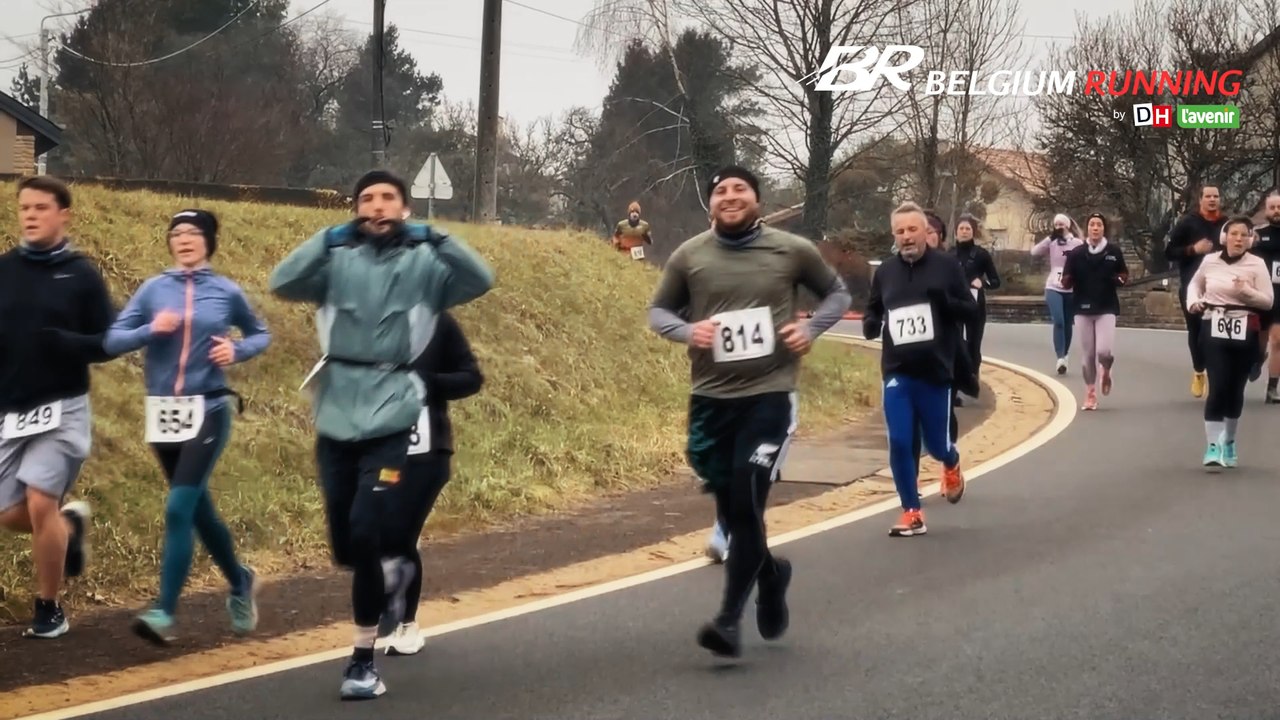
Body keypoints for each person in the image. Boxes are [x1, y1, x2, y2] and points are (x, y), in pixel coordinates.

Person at [268, 170, 495, 700]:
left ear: (405, 209)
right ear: (355, 210)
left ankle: (362, 660)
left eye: (388, 198)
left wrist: (438, 238)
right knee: (348, 547)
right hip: (337, 412)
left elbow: (480, 278)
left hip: (393, 413)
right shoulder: (336, 260)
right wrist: (325, 240)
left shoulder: (424, 265)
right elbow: (282, 282)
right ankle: (382, 576)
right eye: (366, 199)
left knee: (370, 529)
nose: (377, 206)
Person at [647, 165, 851, 658]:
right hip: (711, 403)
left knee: (747, 497)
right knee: (736, 514)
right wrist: (686, 332)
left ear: (757, 201)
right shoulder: (689, 255)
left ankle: (728, 620)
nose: (730, 196)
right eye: (720, 191)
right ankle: (772, 574)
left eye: (740, 189)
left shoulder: (791, 250)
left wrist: (812, 329)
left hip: (770, 395)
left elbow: (839, 294)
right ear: (710, 204)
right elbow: (659, 312)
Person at [102, 209, 270, 645]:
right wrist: (149, 329)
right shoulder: (153, 289)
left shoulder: (226, 291)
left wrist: (236, 350)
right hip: (163, 412)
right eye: (177, 233)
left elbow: (260, 333)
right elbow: (111, 339)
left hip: (209, 407)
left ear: (209, 241)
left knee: (178, 508)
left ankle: (164, 611)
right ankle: (240, 580)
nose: (184, 239)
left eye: (194, 233)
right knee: (199, 510)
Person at [0, 175, 110, 639]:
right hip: (11, 407)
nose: (30, 215)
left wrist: (71, 344)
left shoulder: (82, 275)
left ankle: (48, 606)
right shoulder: (5, 269)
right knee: (9, 515)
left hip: (62, 407)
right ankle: (68, 527)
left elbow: (109, 341)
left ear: (63, 214)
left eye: (41, 207)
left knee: (41, 498)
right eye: (24, 207)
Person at [863, 202, 974, 537]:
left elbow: (970, 311)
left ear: (926, 232)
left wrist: (946, 303)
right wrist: (871, 322)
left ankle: (951, 462)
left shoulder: (946, 267)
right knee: (899, 440)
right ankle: (912, 511)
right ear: (894, 236)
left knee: (936, 445)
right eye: (900, 231)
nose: (907, 237)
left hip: (936, 371)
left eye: (913, 230)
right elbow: (872, 309)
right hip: (897, 371)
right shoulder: (885, 272)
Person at [380, 311, 484, 656]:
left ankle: (405, 624)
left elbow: (471, 378)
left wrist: (425, 381)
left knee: (399, 534)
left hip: (426, 454)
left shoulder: (438, 322)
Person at [1185, 215, 1273, 469]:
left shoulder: (1256, 264)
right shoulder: (1210, 261)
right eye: (1234, 234)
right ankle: (1212, 446)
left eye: (1244, 235)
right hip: (1214, 323)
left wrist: (1246, 291)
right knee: (1218, 385)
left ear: (1250, 239)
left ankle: (1230, 441)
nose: (1238, 239)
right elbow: (1194, 285)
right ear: (1225, 237)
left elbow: (1267, 301)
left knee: (1235, 390)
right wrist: (1194, 303)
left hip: (1245, 327)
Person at [1060, 213, 1129, 411]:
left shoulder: (1113, 252)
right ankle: (1090, 393)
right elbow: (1067, 276)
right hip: (1082, 307)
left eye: (1099, 224)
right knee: (1088, 355)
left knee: (1103, 351)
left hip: (1106, 307)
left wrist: (1120, 279)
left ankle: (1106, 370)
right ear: (1087, 228)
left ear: (1104, 229)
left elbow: (1124, 273)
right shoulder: (1077, 253)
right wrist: (1066, 282)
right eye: (1092, 224)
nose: (1095, 228)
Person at [1165, 185, 1228, 398]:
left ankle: (1218, 375)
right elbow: (1169, 252)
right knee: (1197, 332)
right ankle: (1199, 371)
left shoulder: (1226, 224)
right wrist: (1193, 250)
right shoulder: (1187, 223)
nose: (1212, 200)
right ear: (1200, 199)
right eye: (1208, 196)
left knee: (1217, 332)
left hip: (1221, 287)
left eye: (1216, 196)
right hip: (1193, 286)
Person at [1030, 214, 1083, 375]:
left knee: (1067, 323)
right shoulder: (1052, 242)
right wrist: (1049, 238)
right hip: (1053, 286)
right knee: (1058, 321)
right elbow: (1034, 252)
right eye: (1056, 224)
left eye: (1061, 224)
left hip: (1071, 287)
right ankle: (1059, 356)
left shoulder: (1077, 243)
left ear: (1068, 225)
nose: (1059, 227)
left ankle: (1064, 355)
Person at [952, 214, 1001, 377]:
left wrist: (983, 283)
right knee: (955, 344)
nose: (964, 232)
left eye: (968, 229)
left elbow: (996, 281)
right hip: (954, 306)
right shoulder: (948, 255)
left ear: (973, 232)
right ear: (956, 232)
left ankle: (972, 376)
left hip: (975, 306)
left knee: (973, 344)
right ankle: (956, 382)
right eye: (961, 228)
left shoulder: (981, 254)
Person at [1248, 190, 1280, 402]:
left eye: (1279, 208)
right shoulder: (1258, 235)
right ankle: (1257, 358)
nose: (1277, 211)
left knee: (1278, 340)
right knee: (1259, 344)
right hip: (1261, 295)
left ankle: (1272, 388)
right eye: (1273, 208)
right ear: (1266, 210)